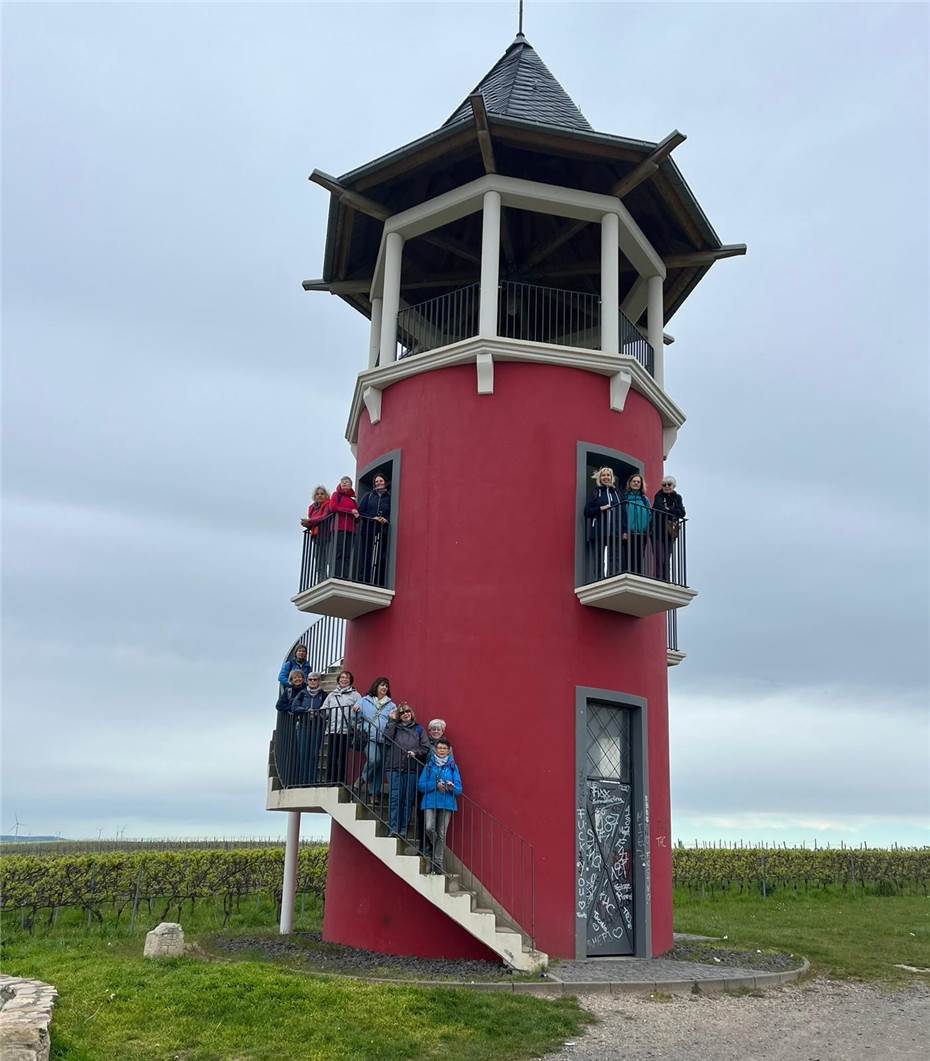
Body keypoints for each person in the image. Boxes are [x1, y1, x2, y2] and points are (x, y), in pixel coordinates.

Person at [384, 703, 429, 839]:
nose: (405, 714)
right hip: (394, 767)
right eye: (402, 712)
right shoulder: (394, 727)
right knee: (395, 799)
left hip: (412, 768)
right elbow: (386, 738)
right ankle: (393, 828)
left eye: (407, 711)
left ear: (411, 713)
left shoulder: (419, 729)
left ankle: (403, 829)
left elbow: (425, 747)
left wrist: (415, 752)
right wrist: (391, 720)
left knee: (408, 800)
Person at [418, 738, 462, 874]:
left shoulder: (453, 767)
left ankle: (438, 863)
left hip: (447, 803)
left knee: (442, 833)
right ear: (435, 750)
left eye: (444, 748)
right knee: (429, 828)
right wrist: (435, 785)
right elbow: (421, 785)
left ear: (448, 750)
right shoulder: (429, 766)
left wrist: (451, 787)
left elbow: (459, 790)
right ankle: (437, 857)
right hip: (430, 801)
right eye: (439, 748)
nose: (442, 750)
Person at [353, 676, 395, 797]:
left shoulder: (392, 705)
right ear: (376, 686)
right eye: (382, 685)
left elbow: (393, 723)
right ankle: (362, 779)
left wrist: (393, 719)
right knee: (374, 759)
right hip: (368, 736)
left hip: (384, 738)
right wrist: (355, 713)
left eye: (386, 686)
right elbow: (354, 719)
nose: (384, 688)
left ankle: (374, 793)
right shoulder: (365, 700)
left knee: (380, 767)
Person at [321, 670, 361, 784]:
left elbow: (360, 712)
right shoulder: (331, 695)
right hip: (333, 729)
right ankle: (330, 780)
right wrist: (322, 713)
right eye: (342, 677)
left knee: (343, 757)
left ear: (350, 680)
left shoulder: (355, 695)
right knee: (331, 756)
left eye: (347, 678)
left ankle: (340, 781)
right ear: (338, 679)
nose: (344, 679)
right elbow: (324, 709)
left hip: (346, 730)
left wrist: (356, 719)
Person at [584, 466, 622, 579]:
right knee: (599, 558)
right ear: (600, 478)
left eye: (608, 475)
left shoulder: (617, 493)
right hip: (599, 530)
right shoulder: (596, 492)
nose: (606, 477)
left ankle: (612, 578)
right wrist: (601, 508)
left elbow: (623, 511)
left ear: (612, 477)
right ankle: (600, 579)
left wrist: (623, 529)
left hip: (615, 530)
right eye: (603, 475)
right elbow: (587, 511)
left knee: (614, 557)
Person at [275, 669, 311, 785]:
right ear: (291, 680)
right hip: (292, 724)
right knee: (294, 752)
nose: (297, 679)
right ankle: (293, 779)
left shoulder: (307, 689)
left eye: (299, 677)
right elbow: (279, 705)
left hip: (306, 723)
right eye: (295, 678)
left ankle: (304, 779)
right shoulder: (289, 691)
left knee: (305, 752)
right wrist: (292, 708)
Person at [356, 474, 391, 586]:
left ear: (385, 482)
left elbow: (393, 512)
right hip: (368, 530)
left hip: (383, 530)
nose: (378, 483)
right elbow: (361, 511)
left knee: (381, 556)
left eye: (380, 481)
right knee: (367, 555)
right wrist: (372, 518)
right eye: (376, 481)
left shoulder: (390, 497)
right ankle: (365, 581)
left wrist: (386, 520)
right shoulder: (368, 496)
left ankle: (378, 582)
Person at [652, 476, 686, 582]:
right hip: (657, 532)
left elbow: (682, 513)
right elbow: (657, 507)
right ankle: (659, 578)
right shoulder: (658, 495)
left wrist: (668, 509)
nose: (666, 486)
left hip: (670, 533)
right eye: (664, 485)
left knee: (667, 558)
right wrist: (673, 511)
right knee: (659, 557)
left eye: (669, 484)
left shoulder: (678, 497)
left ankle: (666, 579)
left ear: (674, 486)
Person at [299, 672, 327, 785]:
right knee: (304, 754)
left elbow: (327, 709)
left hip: (317, 727)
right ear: (307, 681)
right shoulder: (302, 693)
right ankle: (302, 780)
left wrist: (318, 713)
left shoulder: (324, 694)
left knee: (314, 754)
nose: (312, 682)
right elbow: (294, 706)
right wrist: (306, 710)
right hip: (304, 726)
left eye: (315, 679)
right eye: (310, 679)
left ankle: (311, 780)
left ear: (319, 681)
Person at [329, 477, 360, 580]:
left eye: (346, 482)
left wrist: (356, 515)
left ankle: (345, 575)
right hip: (339, 527)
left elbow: (356, 514)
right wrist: (350, 511)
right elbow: (333, 508)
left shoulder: (353, 499)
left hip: (351, 529)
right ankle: (337, 575)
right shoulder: (336, 495)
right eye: (342, 482)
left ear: (351, 485)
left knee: (347, 553)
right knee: (339, 552)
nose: (344, 484)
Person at [621, 472, 651, 575]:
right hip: (629, 533)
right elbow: (621, 514)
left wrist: (648, 528)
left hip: (642, 533)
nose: (636, 483)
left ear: (641, 484)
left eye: (638, 482)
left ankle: (637, 576)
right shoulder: (624, 497)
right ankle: (628, 575)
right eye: (634, 481)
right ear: (630, 483)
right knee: (628, 556)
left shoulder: (644, 499)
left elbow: (649, 514)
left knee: (639, 556)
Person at [301, 486, 331, 582]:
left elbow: (323, 517)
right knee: (318, 559)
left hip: (326, 533)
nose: (319, 496)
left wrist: (309, 521)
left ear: (326, 495)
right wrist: (306, 525)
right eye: (317, 494)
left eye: (322, 494)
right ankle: (321, 579)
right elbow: (314, 522)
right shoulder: (312, 508)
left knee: (327, 557)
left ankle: (329, 577)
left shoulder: (328, 504)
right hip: (316, 535)